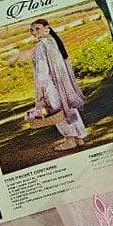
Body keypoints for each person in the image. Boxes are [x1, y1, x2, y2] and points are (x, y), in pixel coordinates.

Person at [29, 19, 88, 151]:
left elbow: (42, 72)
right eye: (31, 30)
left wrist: (40, 92)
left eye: (37, 28)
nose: (34, 32)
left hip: (49, 86)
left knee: (57, 111)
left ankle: (70, 140)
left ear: (46, 28)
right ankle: (79, 138)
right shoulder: (53, 41)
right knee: (69, 108)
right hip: (62, 83)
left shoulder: (41, 47)